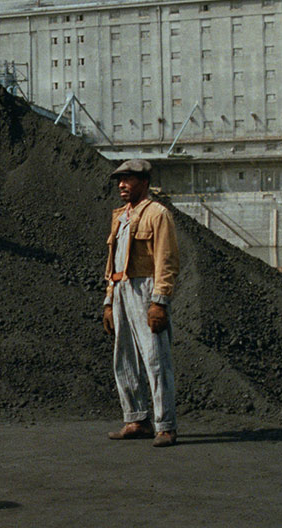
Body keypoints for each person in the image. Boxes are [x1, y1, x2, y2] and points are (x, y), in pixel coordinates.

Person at [100, 159, 180, 448]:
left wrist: (159, 301)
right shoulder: (120, 217)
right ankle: (136, 419)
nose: (122, 185)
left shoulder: (158, 214)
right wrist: (109, 301)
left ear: (144, 182)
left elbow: (166, 260)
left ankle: (165, 426)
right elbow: (113, 262)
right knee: (124, 359)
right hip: (121, 288)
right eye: (120, 180)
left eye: (128, 179)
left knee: (156, 359)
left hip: (145, 289)